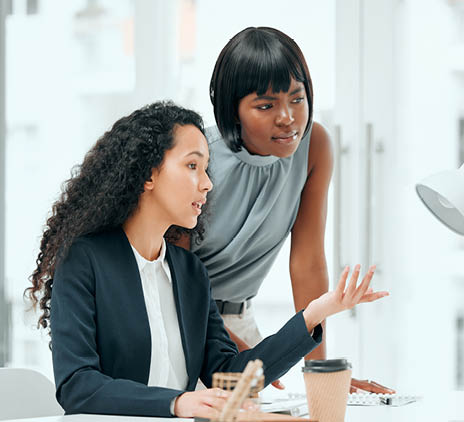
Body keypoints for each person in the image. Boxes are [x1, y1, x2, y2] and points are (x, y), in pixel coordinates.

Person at [26, 102, 387, 418]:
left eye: (206, 168)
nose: (207, 184)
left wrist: (314, 314)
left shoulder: (188, 272)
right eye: (192, 166)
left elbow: (231, 373)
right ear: (149, 174)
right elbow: (78, 386)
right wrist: (178, 403)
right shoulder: (84, 260)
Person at [186, 26, 393, 394]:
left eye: (297, 99)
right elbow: (172, 277)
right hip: (186, 322)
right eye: (266, 105)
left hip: (240, 319)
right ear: (231, 109)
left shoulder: (315, 145)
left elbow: (308, 262)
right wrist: (233, 349)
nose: (288, 117)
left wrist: (320, 371)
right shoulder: (199, 156)